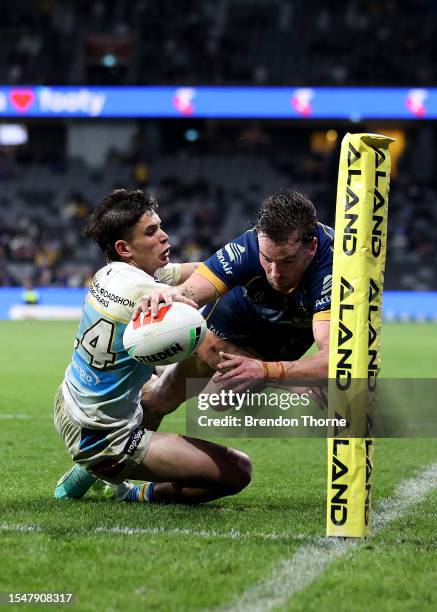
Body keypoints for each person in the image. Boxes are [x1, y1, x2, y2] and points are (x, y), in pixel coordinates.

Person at [54, 189, 251, 504]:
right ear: (124, 248)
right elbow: (207, 346)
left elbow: (209, 272)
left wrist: (245, 264)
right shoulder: (146, 291)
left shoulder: (110, 273)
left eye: (160, 226)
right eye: (151, 232)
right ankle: (130, 491)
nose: (165, 236)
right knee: (238, 471)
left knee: (159, 379)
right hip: (105, 438)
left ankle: (89, 473)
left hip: (69, 404)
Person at [137, 188, 332, 424]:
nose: (275, 274)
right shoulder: (247, 247)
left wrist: (267, 371)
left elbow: (335, 358)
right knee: (159, 401)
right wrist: (170, 296)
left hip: (282, 341)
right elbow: (188, 293)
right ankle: (119, 451)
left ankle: (164, 371)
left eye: (287, 261)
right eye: (267, 260)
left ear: (311, 248)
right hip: (228, 325)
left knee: (218, 400)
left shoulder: (333, 268)